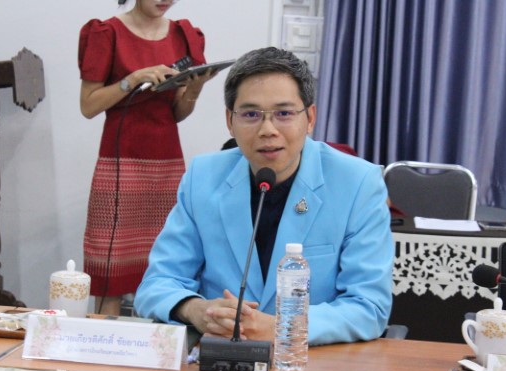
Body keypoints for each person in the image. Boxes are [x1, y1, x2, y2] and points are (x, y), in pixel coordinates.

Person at [134, 47, 394, 345]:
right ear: (230, 121)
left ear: (310, 118)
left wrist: (283, 327)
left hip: (310, 360)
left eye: (284, 113)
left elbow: (369, 307)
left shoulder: (358, 183)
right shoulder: (203, 177)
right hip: (220, 356)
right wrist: (196, 310)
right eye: (251, 115)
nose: (267, 130)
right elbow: (157, 283)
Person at [78, 0, 214, 315]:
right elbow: (88, 105)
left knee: (166, 266)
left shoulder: (184, 35)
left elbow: (176, 113)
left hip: (166, 162)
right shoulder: (107, 32)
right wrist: (134, 78)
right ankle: (103, 342)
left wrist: (194, 90)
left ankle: (157, 342)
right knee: (112, 271)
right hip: (120, 162)